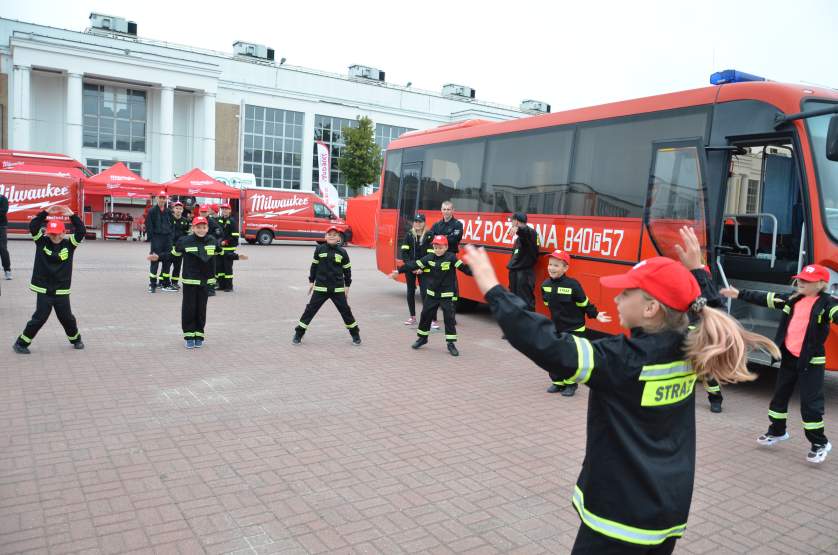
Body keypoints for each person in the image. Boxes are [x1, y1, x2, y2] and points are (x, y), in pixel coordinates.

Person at [462, 227, 779, 554]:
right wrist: (698, 271)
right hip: (666, 511)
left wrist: (494, 290)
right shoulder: (693, 343)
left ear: (650, 308)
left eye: (626, 293)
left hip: (617, 519)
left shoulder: (622, 359)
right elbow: (706, 308)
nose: (615, 297)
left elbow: (547, 344)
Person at [721, 264, 838, 463]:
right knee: (779, 398)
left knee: (811, 406)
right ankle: (777, 431)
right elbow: (765, 298)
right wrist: (739, 294)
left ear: (820, 284)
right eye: (799, 279)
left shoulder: (828, 303)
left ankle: (819, 443)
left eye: (806, 281)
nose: (800, 282)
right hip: (789, 357)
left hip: (811, 361)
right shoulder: (792, 299)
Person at [148, 216, 247, 348]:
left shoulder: (212, 240)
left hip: (205, 281)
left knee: (201, 310)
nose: (201, 230)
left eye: (204, 227)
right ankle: (189, 336)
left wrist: (237, 256)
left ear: (207, 228)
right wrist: (158, 257)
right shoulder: (185, 241)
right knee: (189, 309)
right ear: (193, 228)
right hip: (190, 281)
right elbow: (172, 255)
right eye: (198, 227)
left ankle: (199, 334)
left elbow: (221, 253)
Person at [13, 205, 87, 354]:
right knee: (39, 318)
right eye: (52, 234)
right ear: (47, 233)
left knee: (67, 318)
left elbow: (81, 231)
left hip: (61, 290)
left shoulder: (70, 244)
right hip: (44, 289)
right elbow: (33, 226)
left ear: (63, 233)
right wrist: (45, 213)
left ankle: (76, 339)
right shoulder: (42, 242)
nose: (55, 237)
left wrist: (72, 216)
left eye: (57, 234)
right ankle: (21, 343)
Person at [541, 249, 611, 397]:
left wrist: (596, 314)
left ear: (565, 268)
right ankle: (558, 382)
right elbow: (547, 303)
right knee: (555, 355)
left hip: (574, 328)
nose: (552, 268)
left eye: (556, 265)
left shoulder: (573, 285)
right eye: (550, 264)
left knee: (571, 357)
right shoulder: (545, 285)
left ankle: (570, 384)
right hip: (557, 328)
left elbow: (584, 303)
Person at [389, 234, 473, 356]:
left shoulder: (451, 258)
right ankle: (422, 338)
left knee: (449, 319)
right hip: (432, 294)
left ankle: (451, 343)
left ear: (446, 247)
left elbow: (465, 269)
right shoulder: (429, 257)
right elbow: (414, 264)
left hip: (446, 294)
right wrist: (399, 271)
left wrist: (478, 270)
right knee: (425, 316)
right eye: (435, 247)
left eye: (440, 247)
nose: (437, 250)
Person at [293, 226, 360, 346]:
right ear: (325, 237)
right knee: (310, 310)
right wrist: (311, 281)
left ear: (339, 238)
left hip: (337, 289)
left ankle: (355, 334)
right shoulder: (319, 249)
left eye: (334, 235)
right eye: (329, 234)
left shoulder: (343, 252)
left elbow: (347, 270)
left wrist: (347, 286)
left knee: (345, 311)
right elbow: (314, 266)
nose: (332, 236)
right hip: (321, 288)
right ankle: (298, 334)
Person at [430, 200, 465, 328]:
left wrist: (440, 238)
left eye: (449, 209)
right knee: (434, 287)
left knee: (452, 289)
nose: (446, 211)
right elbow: (431, 238)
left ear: (453, 210)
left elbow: (454, 238)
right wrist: (445, 237)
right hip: (437, 259)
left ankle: (451, 317)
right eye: (444, 209)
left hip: (450, 258)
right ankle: (432, 317)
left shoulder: (457, 224)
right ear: (441, 210)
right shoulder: (437, 224)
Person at [398, 213, 432, 325]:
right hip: (411, 269)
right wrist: (411, 267)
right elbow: (404, 253)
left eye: (420, 222)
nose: (417, 223)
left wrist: (421, 267)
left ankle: (427, 318)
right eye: (416, 221)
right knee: (410, 292)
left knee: (425, 293)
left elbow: (431, 254)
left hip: (424, 269)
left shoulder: (429, 235)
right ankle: (412, 317)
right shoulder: (409, 235)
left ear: (424, 223)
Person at [505, 212, 540, 311]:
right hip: (516, 273)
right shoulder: (519, 239)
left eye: (512, 220)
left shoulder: (531, 233)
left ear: (516, 221)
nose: (511, 223)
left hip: (524, 274)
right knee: (514, 301)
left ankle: (529, 325)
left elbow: (526, 232)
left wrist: (519, 229)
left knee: (525, 302)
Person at [145, 192, 174, 293]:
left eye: (164, 198)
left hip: (167, 239)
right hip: (157, 238)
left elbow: (172, 225)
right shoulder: (152, 211)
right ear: (157, 199)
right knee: (154, 260)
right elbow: (149, 225)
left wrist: (171, 237)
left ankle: (164, 283)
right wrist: (151, 239)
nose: (162, 200)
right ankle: (152, 284)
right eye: (160, 198)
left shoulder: (168, 211)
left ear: (166, 199)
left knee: (167, 260)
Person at [215, 203, 240, 292]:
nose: (224, 210)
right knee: (219, 268)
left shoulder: (232, 221)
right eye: (223, 209)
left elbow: (235, 236)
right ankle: (221, 285)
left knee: (227, 268)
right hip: (220, 248)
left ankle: (229, 286)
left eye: (226, 209)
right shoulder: (220, 220)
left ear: (230, 210)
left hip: (228, 248)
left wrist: (226, 241)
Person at [168, 201, 190, 290]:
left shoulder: (185, 221)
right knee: (167, 265)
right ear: (173, 209)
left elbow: (186, 234)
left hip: (179, 248)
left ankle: (174, 282)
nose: (178, 210)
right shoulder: (168, 219)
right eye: (176, 208)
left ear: (182, 210)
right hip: (169, 247)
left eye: (180, 209)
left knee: (177, 266)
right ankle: (163, 282)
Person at [0, 191, 11, 280]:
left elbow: (3, 211)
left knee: (3, 249)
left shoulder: (3, 199)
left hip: (1, 227)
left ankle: (7, 270)